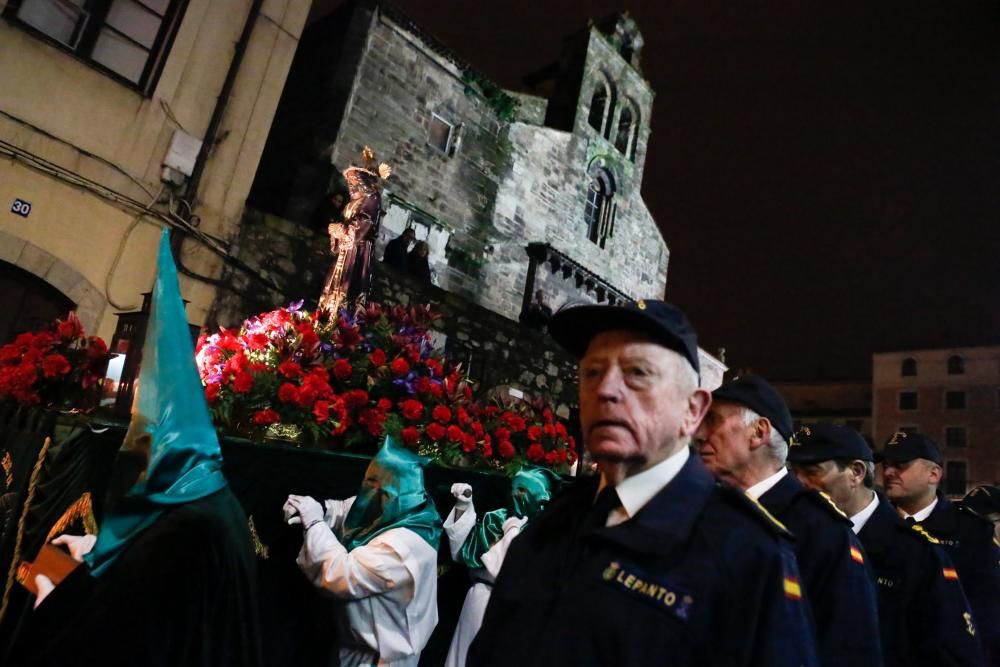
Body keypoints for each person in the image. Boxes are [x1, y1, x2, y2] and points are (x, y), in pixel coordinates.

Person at [468, 299, 819, 667]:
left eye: (637, 373)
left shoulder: (747, 554)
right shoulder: (554, 521)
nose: (606, 390)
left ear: (693, 411)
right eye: (592, 372)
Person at [10, 229, 262, 667]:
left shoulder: (187, 531)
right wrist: (98, 549)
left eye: (143, 436)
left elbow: (111, 641)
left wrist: (49, 593)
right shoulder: (208, 494)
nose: (134, 450)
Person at [696, 375, 882, 667]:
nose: (698, 434)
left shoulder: (822, 532)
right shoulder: (701, 511)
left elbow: (850, 649)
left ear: (758, 433)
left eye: (713, 421)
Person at [788, 423, 983, 667]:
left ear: (856, 473)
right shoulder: (788, 537)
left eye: (811, 472)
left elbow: (953, 652)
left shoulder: (917, 554)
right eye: (793, 473)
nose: (798, 483)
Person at [283, 436, 442, 667]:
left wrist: (314, 522)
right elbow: (354, 510)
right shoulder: (410, 509)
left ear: (387, 493)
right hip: (358, 648)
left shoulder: (401, 547)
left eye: (372, 483)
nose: (366, 489)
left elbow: (341, 574)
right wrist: (322, 508)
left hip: (381, 659)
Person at [878, 432, 1000, 663]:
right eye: (886, 465)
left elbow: (987, 615)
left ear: (934, 474)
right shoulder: (872, 525)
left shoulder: (972, 532)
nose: (888, 473)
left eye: (900, 465)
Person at [443, 467, 559, 667]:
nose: (516, 495)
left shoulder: (545, 531)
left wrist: (512, 531)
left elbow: (507, 570)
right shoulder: (496, 518)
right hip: (479, 600)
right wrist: (464, 505)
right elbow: (463, 552)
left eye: (524, 491)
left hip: (515, 608)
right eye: (515, 488)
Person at [319, 146, 391, 313]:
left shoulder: (372, 198)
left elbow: (365, 221)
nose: (351, 186)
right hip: (345, 249)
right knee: (334, 285)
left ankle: (345, 318)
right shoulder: (352, 202)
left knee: (350, 285)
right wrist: (335, 228)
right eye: (350, 182)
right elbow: (344, 220)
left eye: (354, 181)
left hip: (358, 250)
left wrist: (342, 230)